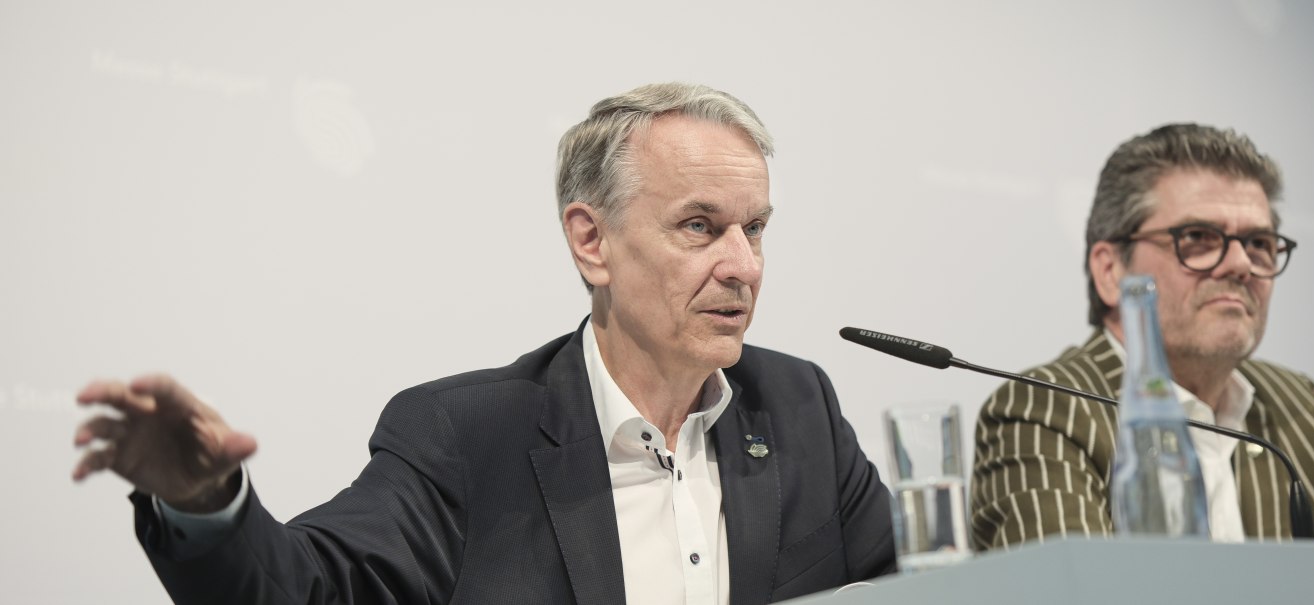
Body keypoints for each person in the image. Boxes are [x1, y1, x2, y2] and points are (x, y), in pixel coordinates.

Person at [72, 82, 895, 604]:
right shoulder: (466, 436)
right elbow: (309, 589)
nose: (744, 266)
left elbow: (917, 587)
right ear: (591, 241)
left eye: (755, 229)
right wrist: (208, 505)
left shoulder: (799, 408)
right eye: (700, 227)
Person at [969, 123, 1314, 550]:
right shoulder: (1046, 410)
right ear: (1111, 271)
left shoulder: (1302, 407)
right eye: (1199, 239)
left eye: (1259, 242)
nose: (1241, 264)